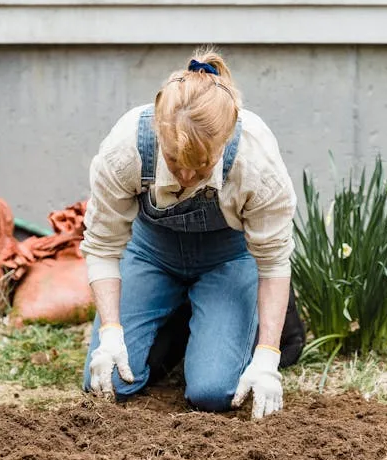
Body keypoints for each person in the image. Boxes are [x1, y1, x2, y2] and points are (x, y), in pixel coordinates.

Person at [79, 48, 297, 419]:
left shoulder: (255, 160)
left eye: (200, 167)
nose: (185, 178)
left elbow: (274, 262)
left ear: (224, 141)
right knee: (109, 383)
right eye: (176, 162)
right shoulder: (127, 147)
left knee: (214, 393)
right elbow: (102, 245)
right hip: (151, 253)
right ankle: (183, 319)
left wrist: (267, 358)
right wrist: (112, 332)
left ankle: (239, 320)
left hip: (227, 259)